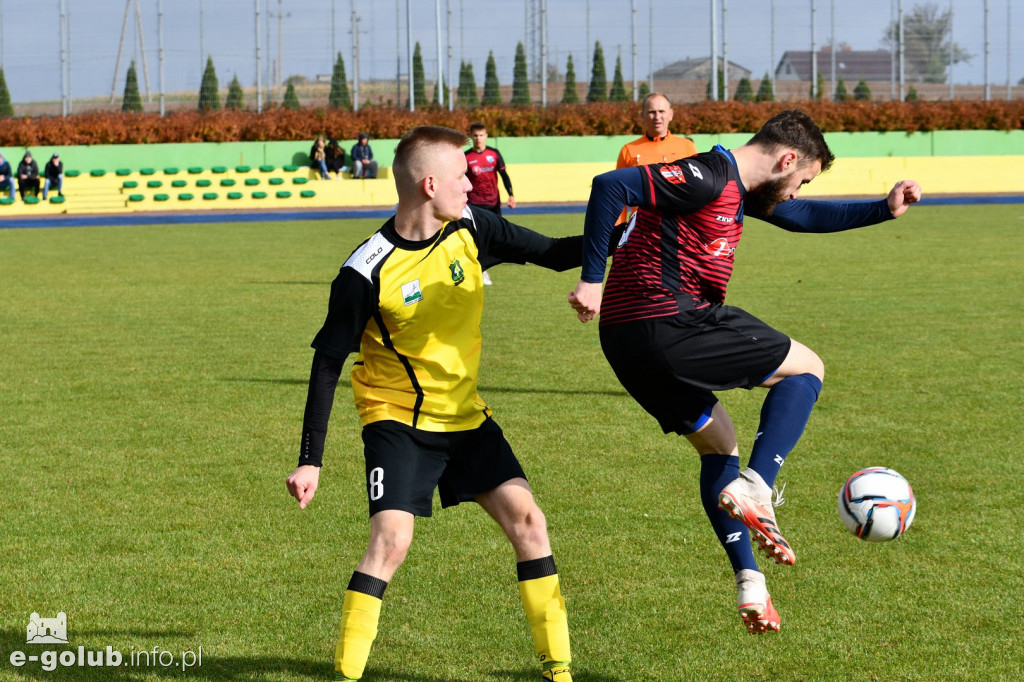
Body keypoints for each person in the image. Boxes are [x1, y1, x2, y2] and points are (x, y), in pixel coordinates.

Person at [568, 109, 922, 636]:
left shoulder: (740, 191)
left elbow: (803, 218)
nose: (796, 192)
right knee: (807, 368)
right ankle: (758, 485)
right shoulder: (708, 174)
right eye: (802, 180)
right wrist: (591, 279)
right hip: (668, 317)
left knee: (720, 446)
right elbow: (609, 187)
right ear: (786, 159)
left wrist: (882, 210)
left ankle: (751, 584)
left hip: (625, 340)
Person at [286, 125, 580, 682]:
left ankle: (558, 672)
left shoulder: (474, 227)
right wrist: (311, 459)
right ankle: (346, 674)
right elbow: (327, 363)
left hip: (465, 416)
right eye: (462, 176)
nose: (473, 184)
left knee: (530, 522)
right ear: (428, 184)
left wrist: (634, 228)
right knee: (391, 539)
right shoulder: (364, 271)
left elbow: (557, 254)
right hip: (396, 420)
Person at [615, 93, 698, 225]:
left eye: (661, 111)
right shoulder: (628, 150)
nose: (657, 117)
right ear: (642, 115)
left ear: (670, 114)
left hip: (679, 226)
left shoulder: (687, 147)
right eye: (652, 112)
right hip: (641, 228)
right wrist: (617, 232)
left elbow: (697, 190)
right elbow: (619, 197)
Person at [465, 122, 516, 285]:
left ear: (486, 136)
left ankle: (488, 262)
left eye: (481, 135)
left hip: (493, 203)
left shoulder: (494, 154)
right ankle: (482, 271)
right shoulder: (466, 157)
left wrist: (511, 195)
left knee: (497, 236)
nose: (478, 138)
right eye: (475, 135)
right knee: (479, 238)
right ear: (471, 137)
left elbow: (504, 175)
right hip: (474, 204)